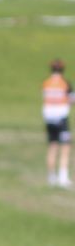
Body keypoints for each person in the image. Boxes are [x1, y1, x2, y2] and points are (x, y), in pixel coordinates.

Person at [43, 58, 73, 188]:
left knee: (52, 146)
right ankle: (63, 177)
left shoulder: (46, 83)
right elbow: (71, 99)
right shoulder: (65, 83)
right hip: (61, 118)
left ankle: (51, 177)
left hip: (49, 118)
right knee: (65, 147)